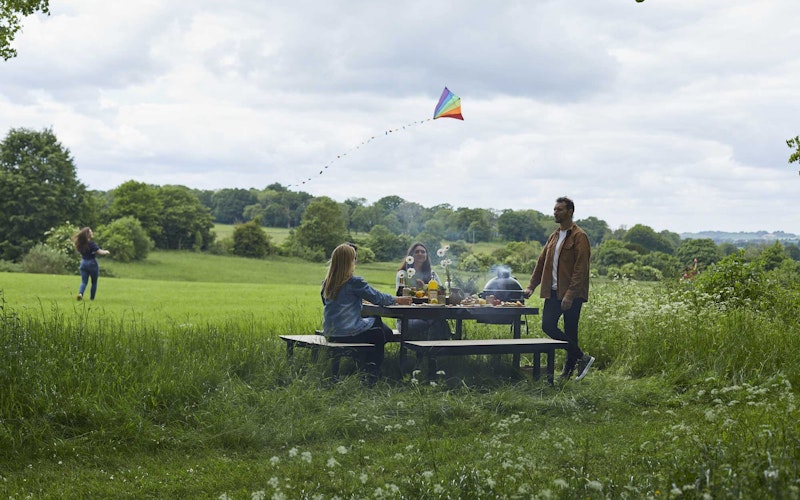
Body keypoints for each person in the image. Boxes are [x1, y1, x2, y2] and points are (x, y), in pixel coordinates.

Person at [523, 197, 594, 381]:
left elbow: (581, 269)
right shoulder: (554, 236)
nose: (555, 212)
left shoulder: (579, 236)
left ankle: (567, 372)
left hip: (572, 294)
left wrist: (570, 295)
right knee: (548, 325)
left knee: (571, 331)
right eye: (555, 209)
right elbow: (541, 262)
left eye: (559, 209)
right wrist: (532, 286)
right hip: (553, 292)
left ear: (570, 211)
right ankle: (582, 358)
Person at [322, 243, 413, 380]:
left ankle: (365, 366)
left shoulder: (327, 283)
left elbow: (334, 303)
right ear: (350, 262)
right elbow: (378, 298)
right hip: (347, 333)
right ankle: (373, 372)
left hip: (331, 332)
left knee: (377, 329)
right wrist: (398, 300)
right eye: (354, 259)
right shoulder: (353, 282)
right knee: (378, 329)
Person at [396, 242, 451, 340]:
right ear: (411, 255)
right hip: (407, 318)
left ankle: (438, 351)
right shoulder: (403, 274)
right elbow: (400, 294)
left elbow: (441, 292)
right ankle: (430, 352)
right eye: (417, 252)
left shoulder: (432, 274)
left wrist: (425, 287)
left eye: (423, 252)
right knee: (435, 323)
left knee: (440, 322)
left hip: (428, 315)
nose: (420, 254)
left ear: (426, 255)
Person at [72, 227, 110, 301]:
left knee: (84, 281)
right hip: (92, 263)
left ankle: (80, 293)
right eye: (91, 232)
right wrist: (106, 252)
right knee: (94, 282)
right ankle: (92, 299)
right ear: (88, 234)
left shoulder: (80, 244)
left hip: (83, 263)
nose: (92, 233)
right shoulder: (91, 243)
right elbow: (99, 252)